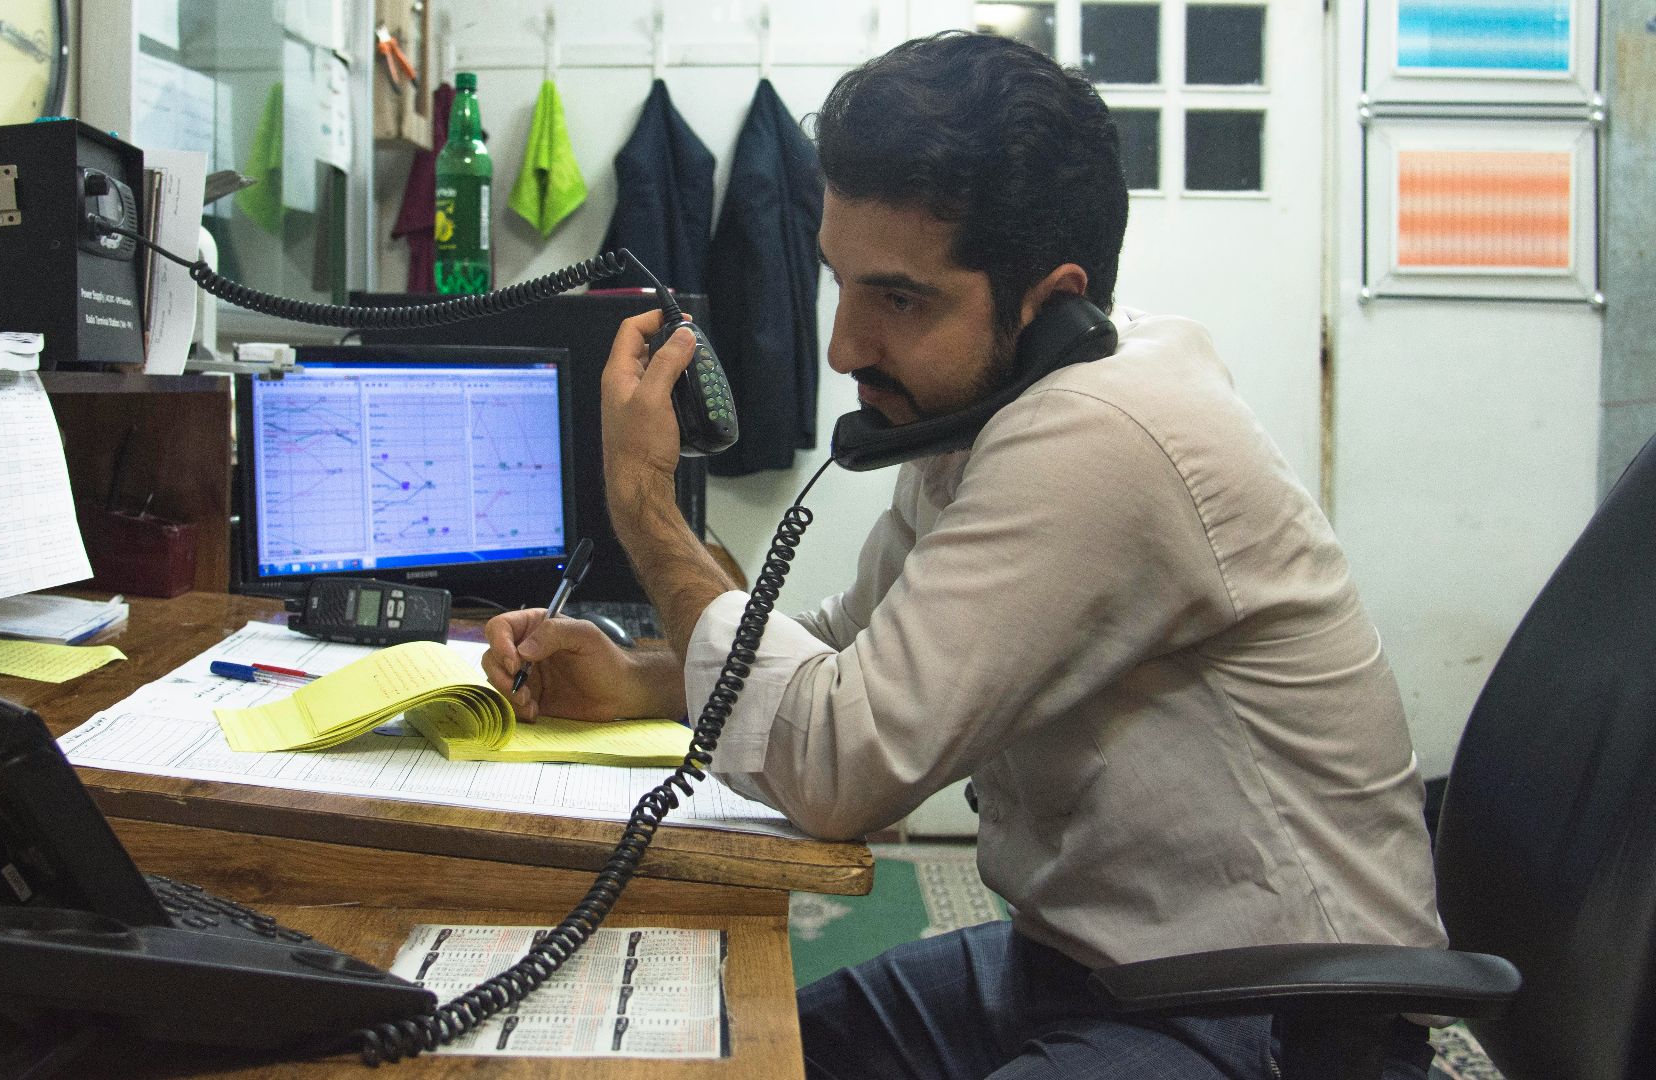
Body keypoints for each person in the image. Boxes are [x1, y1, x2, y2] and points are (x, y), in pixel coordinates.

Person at [481, 31, 1444, 1080]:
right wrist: (635, 680)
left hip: (1267, 1015)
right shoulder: (988, 411)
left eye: (899, 298)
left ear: (1049, 298)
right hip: (1086, 965)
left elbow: (838, 766)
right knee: (741, 1054)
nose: (844, 346)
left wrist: (645, 507)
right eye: (839, 284)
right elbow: (844, 661)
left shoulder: (1101, 435)